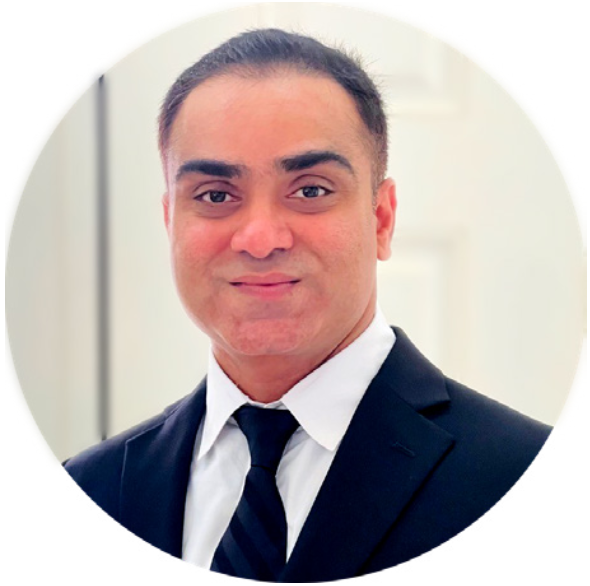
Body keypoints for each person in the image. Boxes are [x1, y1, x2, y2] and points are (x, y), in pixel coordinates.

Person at [64, 29, 551, 582]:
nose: (260, 238)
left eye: (311, 190)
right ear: (170, 221)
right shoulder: (86, 493)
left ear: (381, 219)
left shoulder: (530, 480)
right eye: (216, 195)